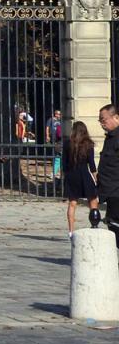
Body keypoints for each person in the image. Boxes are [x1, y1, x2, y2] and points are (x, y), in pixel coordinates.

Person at [62, 120, 98, 239]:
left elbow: (64, 163)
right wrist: (96, 179)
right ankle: (94, 225)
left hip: (72, 175)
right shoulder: (88, 144)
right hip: (84, 175)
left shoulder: (67, 143)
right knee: (93, 201)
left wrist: (66, 177)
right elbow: (92, 165)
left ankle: (71, 231)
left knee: (72, 203)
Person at [97, 104, 119, 249]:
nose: (101, 123)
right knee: (112, 226)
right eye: (100, 120)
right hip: (110, 192)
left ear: (116, 117)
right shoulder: (110, 137)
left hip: (117, 191)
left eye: (103, 120)